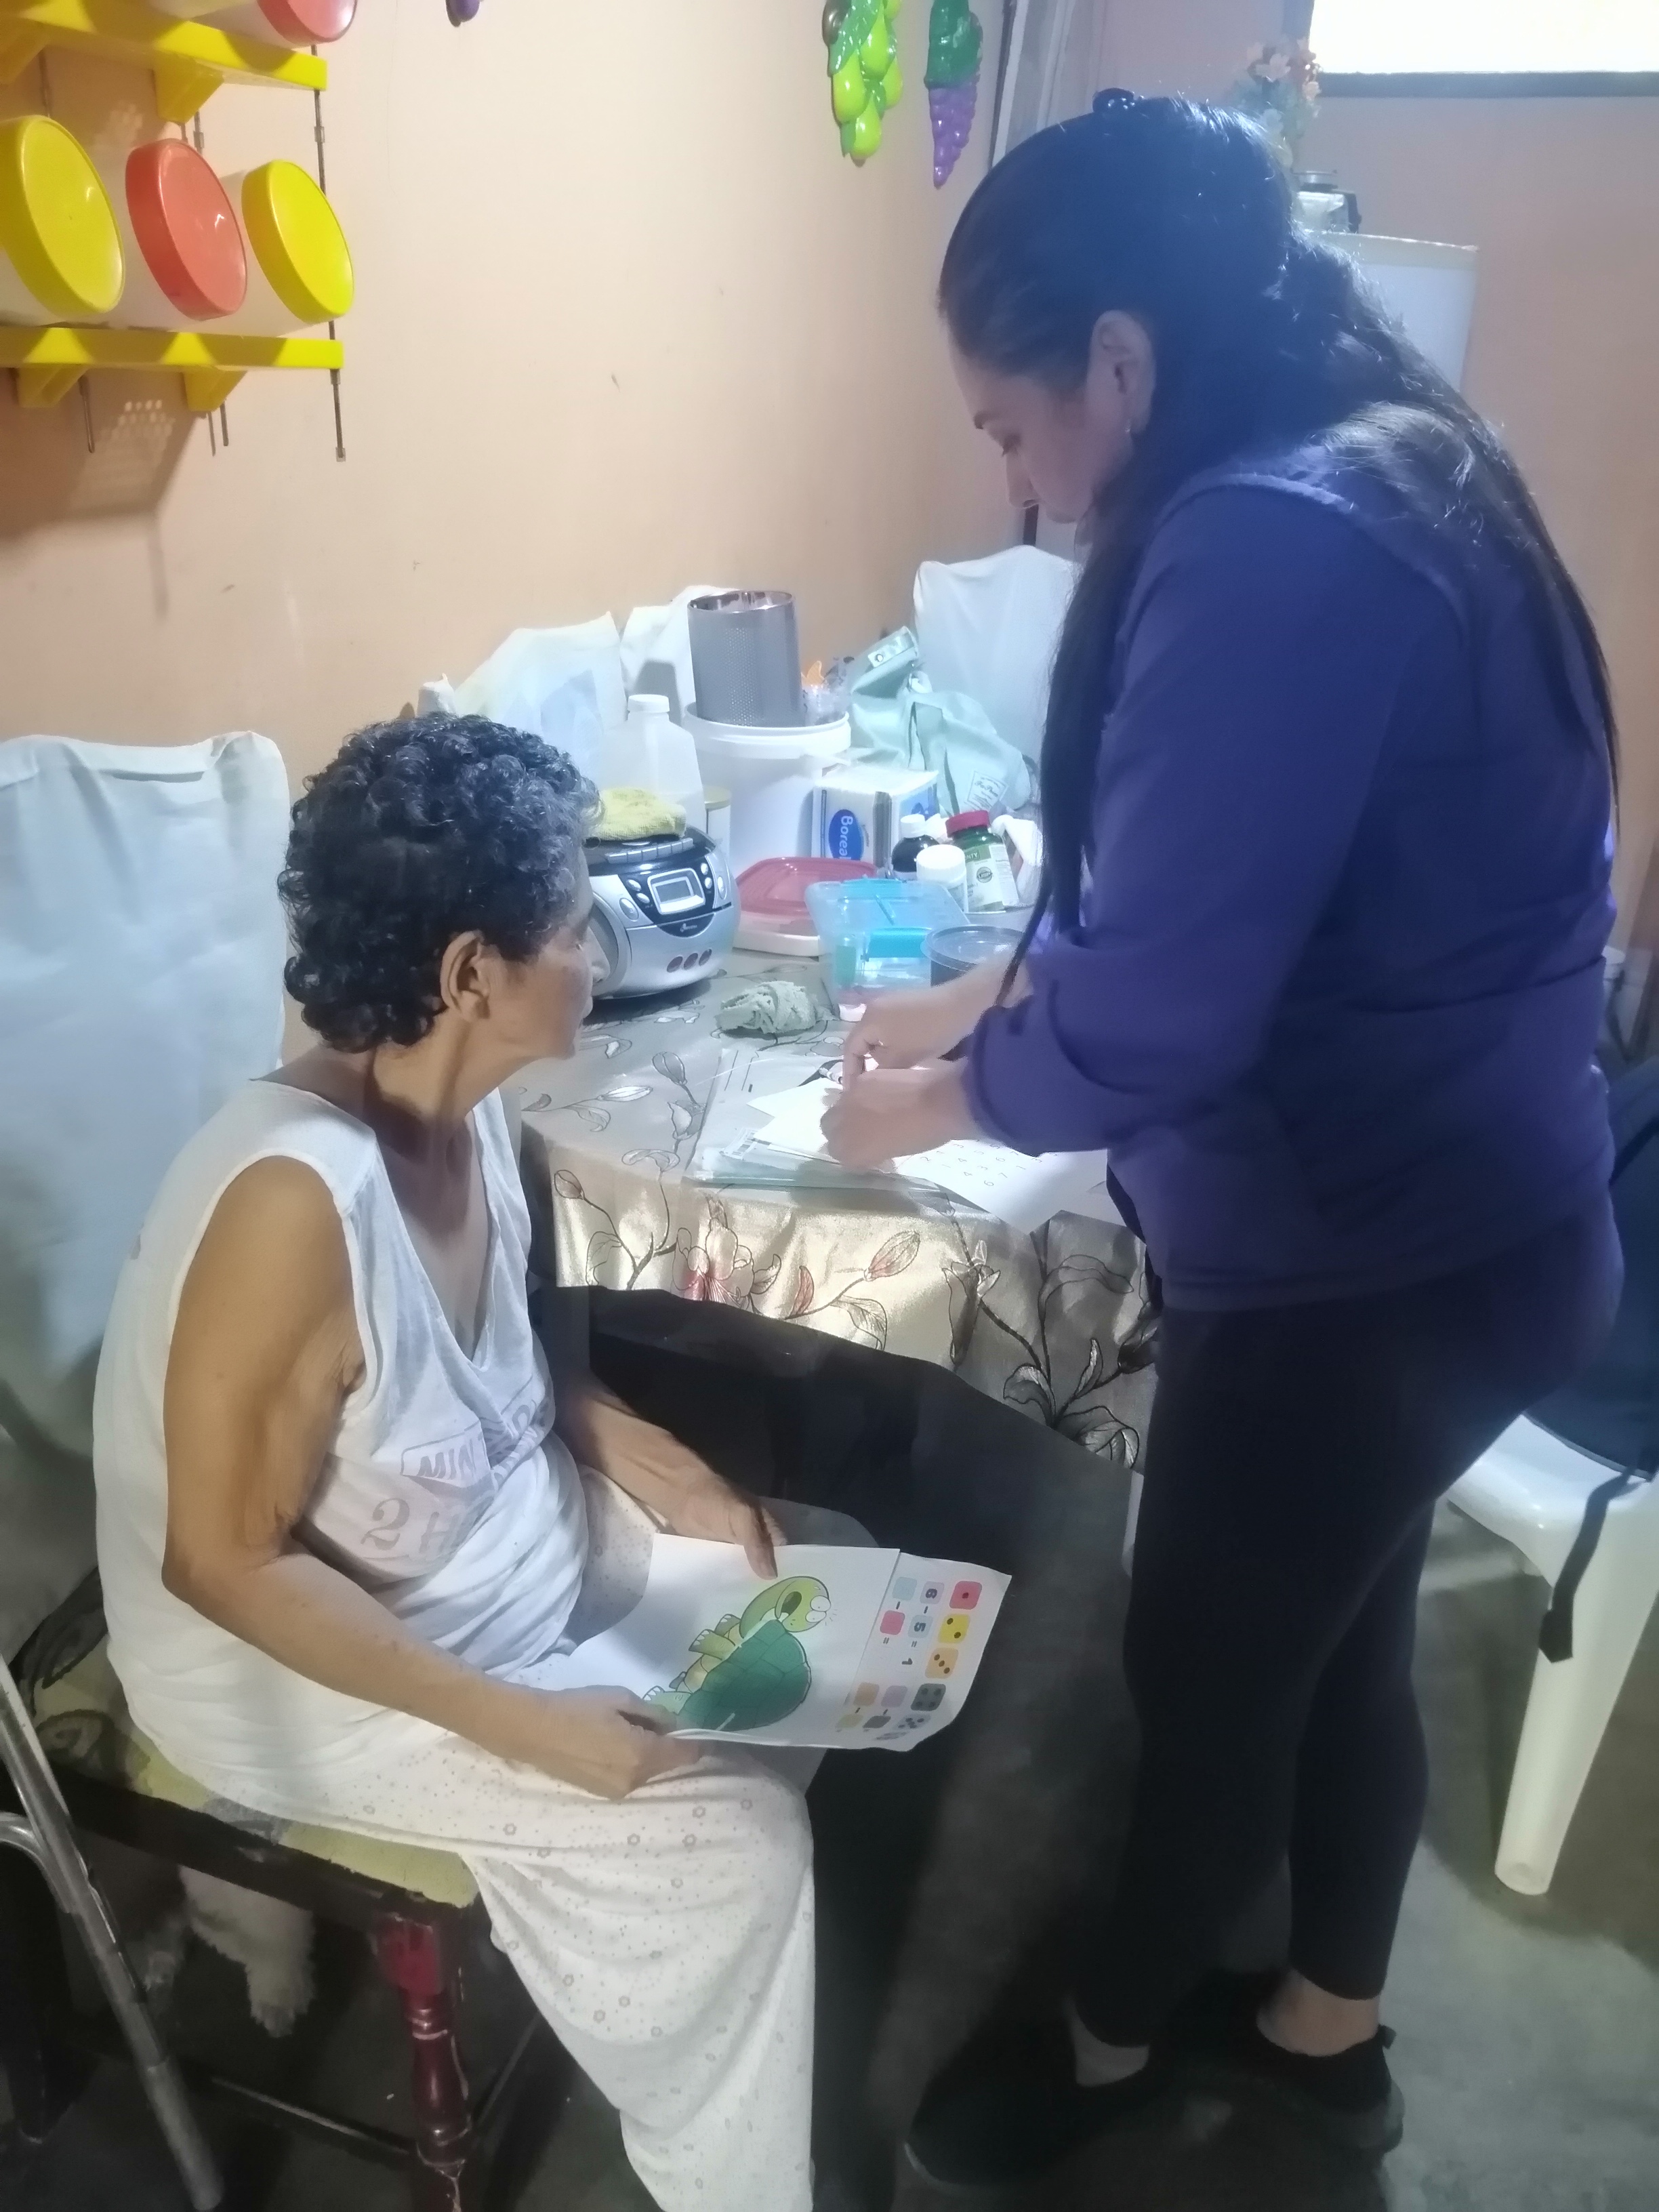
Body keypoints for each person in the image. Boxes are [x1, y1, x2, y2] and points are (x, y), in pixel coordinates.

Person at [823, 93, 1622, 2186]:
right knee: (1339, 1643)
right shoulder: (1400, 458)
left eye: (1011, 430)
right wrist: (987, 997)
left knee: (1203, 1682)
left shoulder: (1273, 540)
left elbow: (1169, 1010)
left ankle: (1103, 2057)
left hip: (1369, 1266)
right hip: (1492, 1221)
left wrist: (950, 1096)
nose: (1020, 485)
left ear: (1120, 359)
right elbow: (1247, 896)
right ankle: (1326, 2037)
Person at [94, 716, 856, 2212]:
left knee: (812, 1575)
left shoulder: (472, 1111)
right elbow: (223, 1561)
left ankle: (615, 1907)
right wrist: (524, 1730)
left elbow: (519, 1355)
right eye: (573, 922)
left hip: (480, 1537)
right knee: (734, 1846)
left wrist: (655, 1462)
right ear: (470, 975)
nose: (600, 946)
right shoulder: (294, 1207)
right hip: (306, 1665)